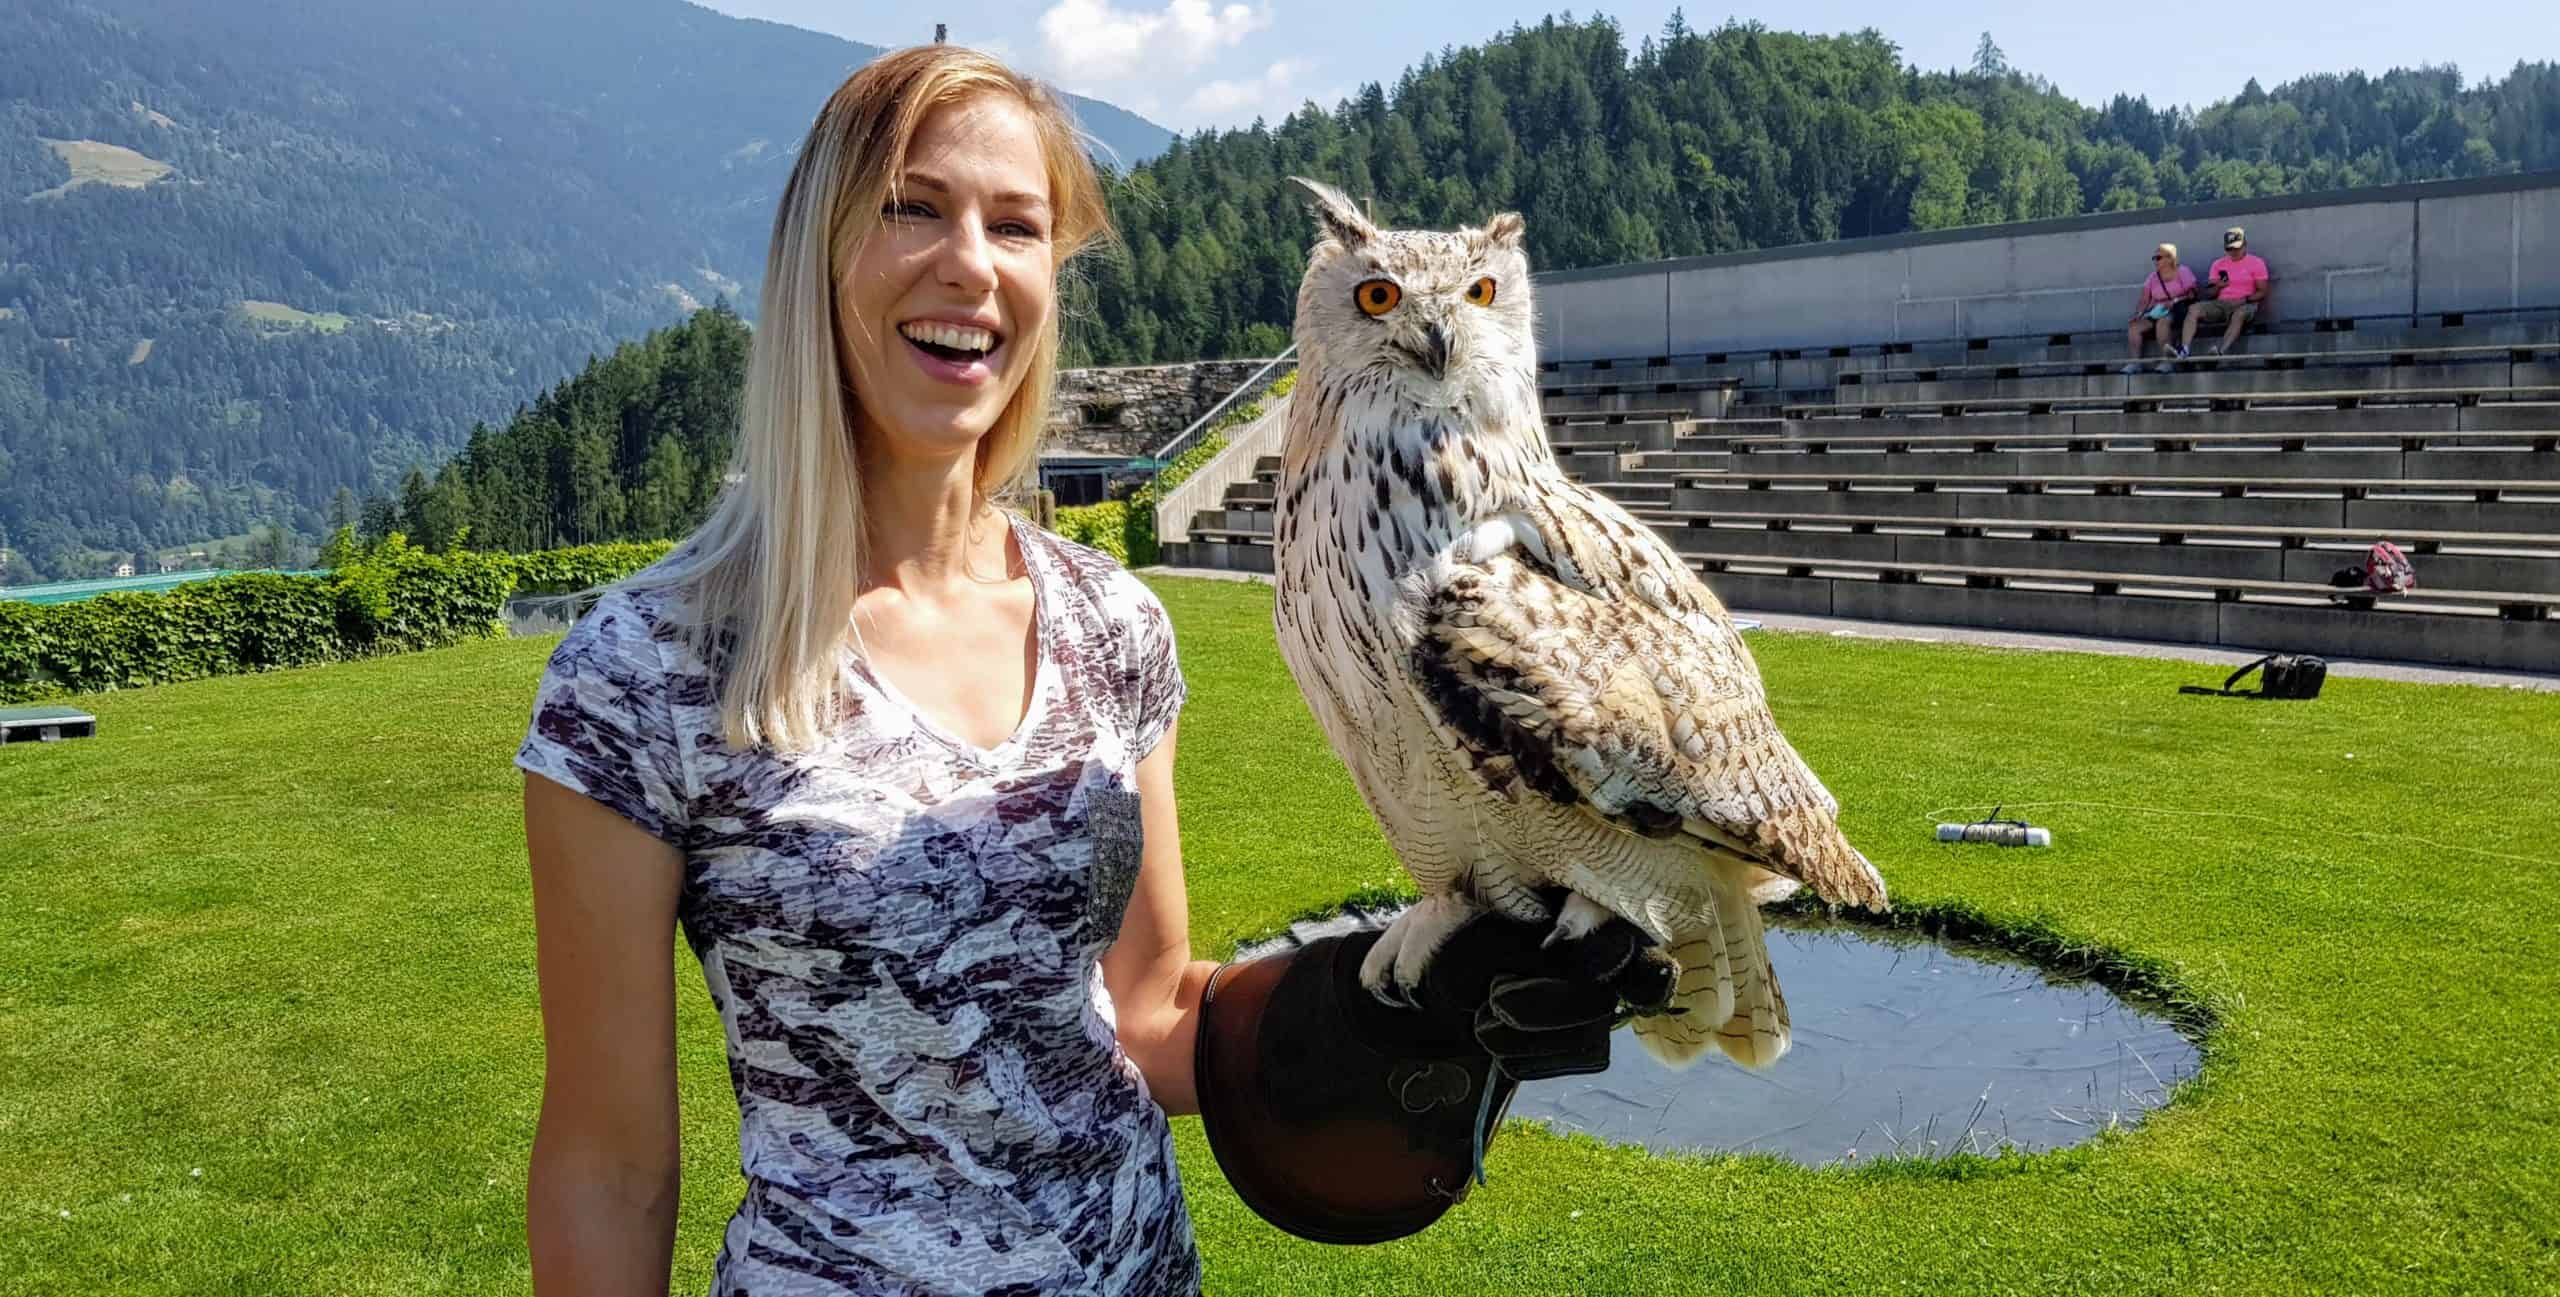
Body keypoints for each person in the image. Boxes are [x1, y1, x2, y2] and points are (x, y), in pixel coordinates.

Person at [514, 45, 1655, 1295]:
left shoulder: (1112, 623)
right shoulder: (645, 667)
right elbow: (606, 1165)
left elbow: (1155, 1013)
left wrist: (1401, 990)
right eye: (913, 207)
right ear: (818, 251)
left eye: (1017, 226)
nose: (971, 262)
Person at [2180, 225, 2273, 358]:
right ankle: (2184, 349)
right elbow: (2209, 294)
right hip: (2221, 303)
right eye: (2229, 249)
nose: (2233, 252)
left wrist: (2245, 299)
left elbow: (2262, 291)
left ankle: (2221, 351)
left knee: (2239, 314)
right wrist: (2218, 286)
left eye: (2236, 248)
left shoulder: (2257, 263)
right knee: (2193, 309)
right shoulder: (2218, 264)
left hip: (2245, 303)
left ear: (2245, 245)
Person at [2122, 242, 2197, 374]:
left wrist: (2174, 301)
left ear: (2170, 258)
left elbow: (2193, 294)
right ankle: (2136, 363)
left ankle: (2167, 361)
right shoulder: (2152, 277)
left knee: (2163, 323)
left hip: (2177, 309)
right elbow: (2144, 300)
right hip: (2157, 310)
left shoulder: (2182, 271)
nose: (2155, 261)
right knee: (2134, 327)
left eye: (2158, 257)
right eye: (2154, 258)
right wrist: (2138, 314)